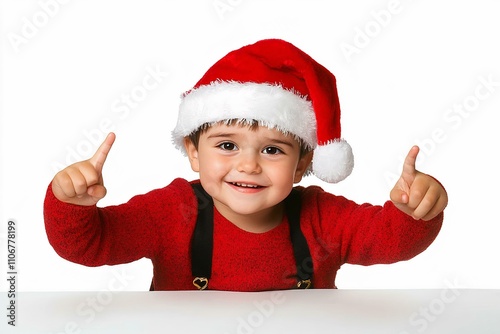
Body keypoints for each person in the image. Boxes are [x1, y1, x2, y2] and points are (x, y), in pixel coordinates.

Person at [44, 39, 448, 291]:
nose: (249, 165)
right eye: (226, 145)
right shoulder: (170, 213)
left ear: (303, 161)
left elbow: (390, 241)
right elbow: (89, 246)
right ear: (193, 151)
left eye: (273, 150)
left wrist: (416, 211)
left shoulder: (323, 218)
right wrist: (72, 204)